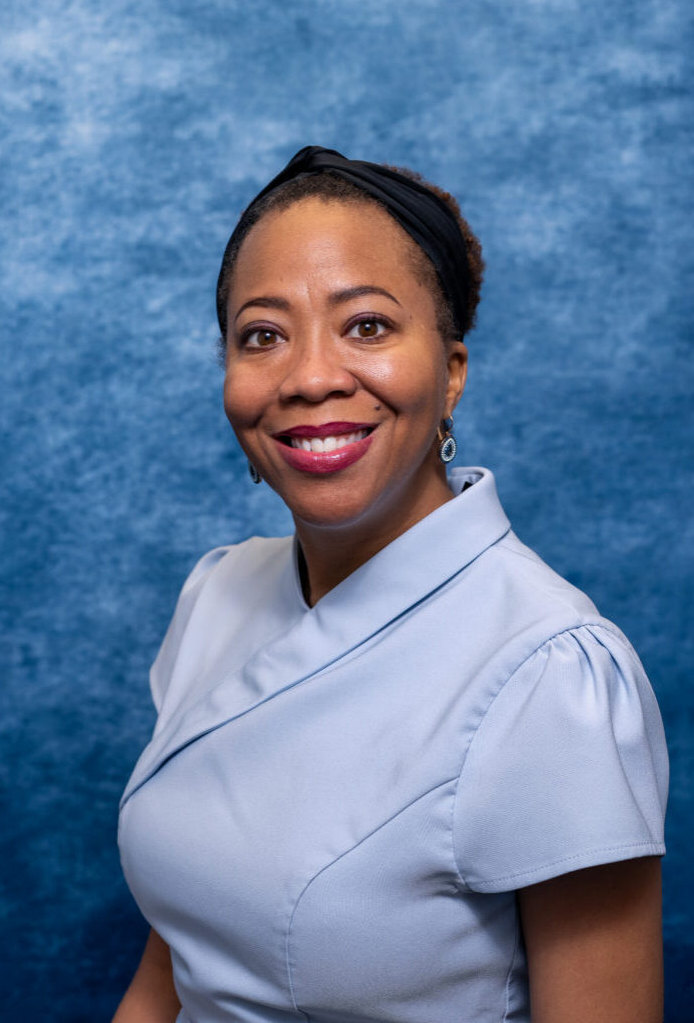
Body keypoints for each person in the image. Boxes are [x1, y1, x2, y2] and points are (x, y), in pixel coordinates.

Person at [113, 147, 669, 1023]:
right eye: (262, 334)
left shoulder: (553, 673)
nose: (309, 376)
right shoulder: (216, 595)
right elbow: (181, 955)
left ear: (450, 373)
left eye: (366, 326)